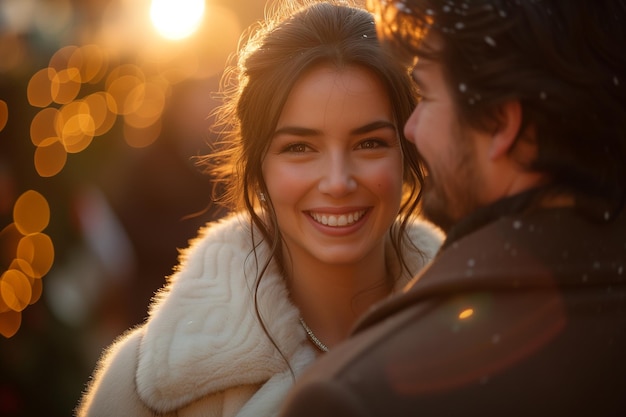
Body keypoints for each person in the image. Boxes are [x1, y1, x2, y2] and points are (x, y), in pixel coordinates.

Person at [74, 1, 444, 416]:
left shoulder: (483, 339)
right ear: (258, 167)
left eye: (370, 143)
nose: (338, 182)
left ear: (409, 150)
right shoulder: (145, 386)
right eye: (300, 148)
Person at [278, 0, 626, 416]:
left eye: (425, 95)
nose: (412, 128)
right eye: (299, 147)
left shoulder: (359, 394)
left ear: (499, 121)